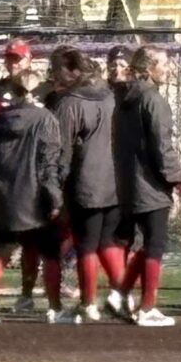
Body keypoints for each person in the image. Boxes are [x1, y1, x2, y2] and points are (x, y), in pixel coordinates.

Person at [0, 74, 66, 325]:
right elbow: (48, 163)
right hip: (35, 201)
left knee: (0, 248)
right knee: (49, 253)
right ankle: (55, 308)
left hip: (5, 199)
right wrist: (54, 199)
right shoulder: (44, 119)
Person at [113, 45, 181, 327]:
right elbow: (161, 146)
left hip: (129, 182)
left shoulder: (124, 99)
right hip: (151, 184)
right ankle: (147, 308)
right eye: (163, 64)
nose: (168, 69)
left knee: (145, 243)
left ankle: (120, 293)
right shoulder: (153, 100)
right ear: (149, 68)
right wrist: (177, 178)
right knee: (155, 243)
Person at [52, 47, 122, 322]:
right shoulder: (112, 96)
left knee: (87, 245)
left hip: (86, 184)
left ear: (70, 70)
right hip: (115, 181)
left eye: (57, 70)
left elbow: (61, 151)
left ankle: (88, 303)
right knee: (108, 242)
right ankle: (123, 295)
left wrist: (55, 186)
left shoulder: (70, 103)